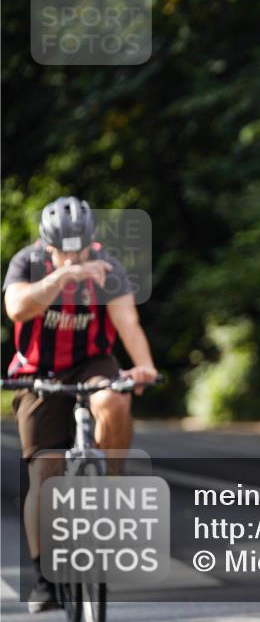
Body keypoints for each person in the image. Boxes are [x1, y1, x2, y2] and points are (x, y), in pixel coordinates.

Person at [2, 196, 158, 613]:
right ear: (45, 243)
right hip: (38, 372)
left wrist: (143, 366)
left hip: (92, 362)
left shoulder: (108, 269)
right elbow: (17, 308)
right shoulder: (27, 262)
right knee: (45, 470)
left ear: (93, 242)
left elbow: (128, 321)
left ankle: (112, 494)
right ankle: (44, 578)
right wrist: (65, 275)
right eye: (63, 249)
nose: (73, 256)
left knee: (115, 399)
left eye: (80, 249)